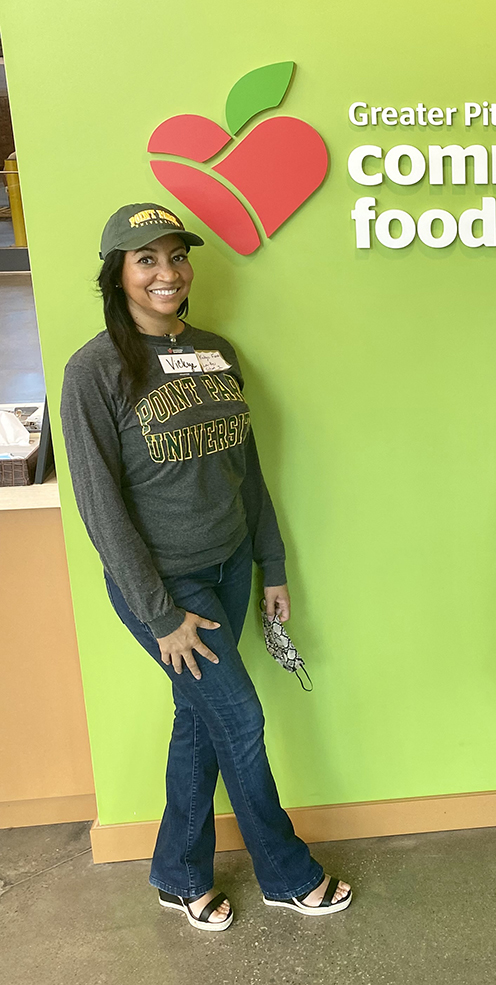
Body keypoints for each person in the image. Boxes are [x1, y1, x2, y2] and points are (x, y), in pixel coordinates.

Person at [60, 203, 352, 931]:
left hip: (227, 567)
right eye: (146, 259)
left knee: (200, 721)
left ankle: (179, 872)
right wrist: (160, 612)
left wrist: (271, 561)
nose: (167, 272)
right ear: (118, 274)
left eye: (175, 256)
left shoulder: (218, 351)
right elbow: (101, 508)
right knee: (240, 718)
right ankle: (285, 871)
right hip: (162, 586)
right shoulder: (93, 370)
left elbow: (245, 468)